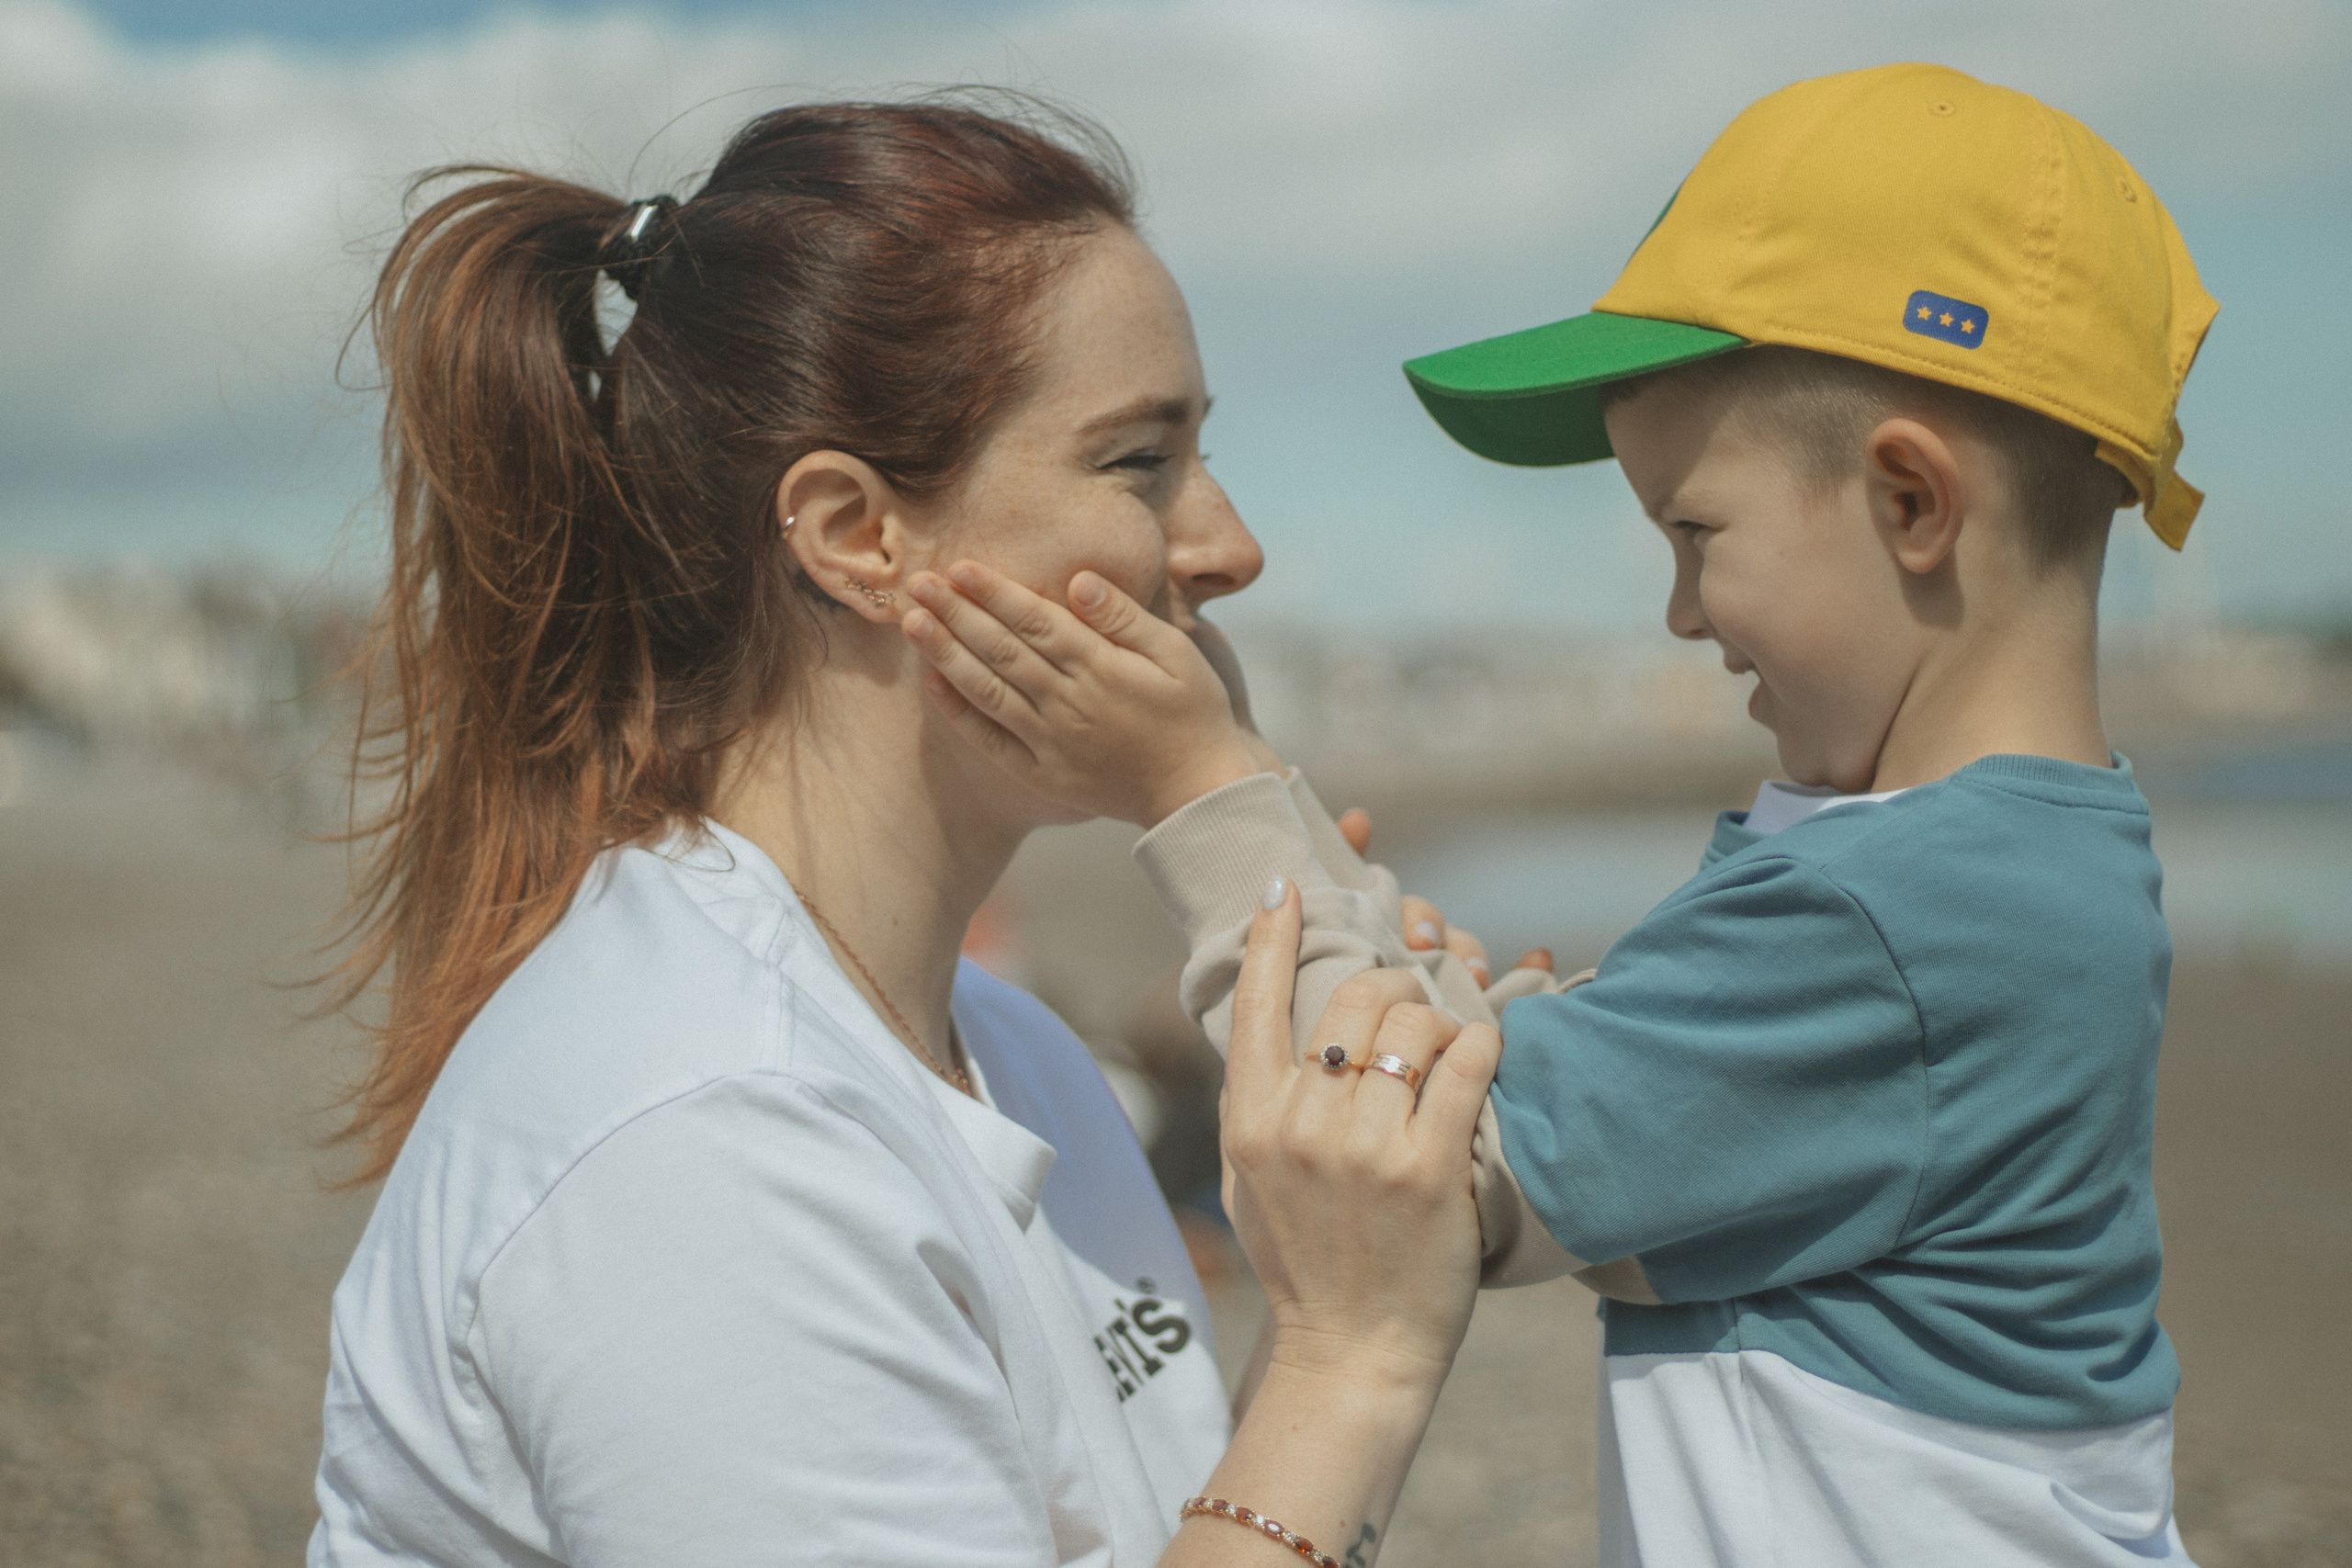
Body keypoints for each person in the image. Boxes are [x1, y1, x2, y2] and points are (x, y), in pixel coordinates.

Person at [899, 63, 2214, 1566]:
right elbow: (1634, 1160)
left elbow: (1432, 1178)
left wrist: (1197, 788)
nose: (1678, 611)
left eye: (1695, 533)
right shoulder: (2026, 863)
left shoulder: (1894, 916)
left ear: (1913, 502)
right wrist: (1342, 896)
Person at [307, 97, 1509, 1568]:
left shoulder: (1017, 1058)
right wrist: (1349, 1355)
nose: (1228, 548)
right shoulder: (709, 1138)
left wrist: (1347, 1237)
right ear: (856, 536)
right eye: (1140, 462)